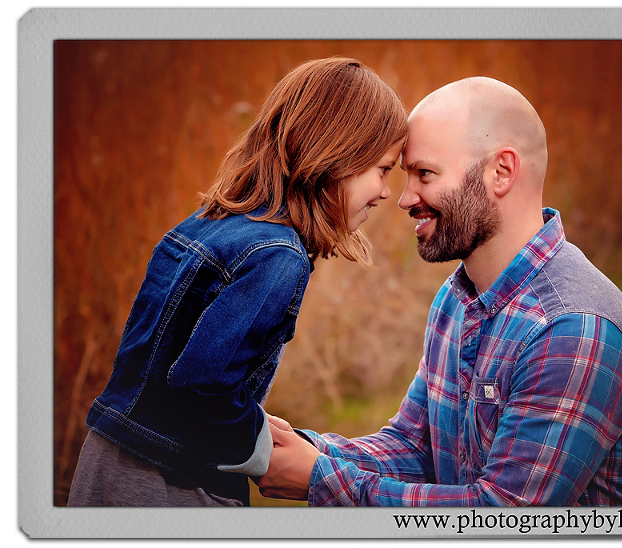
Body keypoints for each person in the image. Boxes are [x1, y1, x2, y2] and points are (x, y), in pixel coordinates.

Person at [256, 76, 622, 507]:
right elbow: (415, 448)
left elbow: (502, 513)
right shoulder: (457, 299)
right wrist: (301, 450)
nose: (404, 198)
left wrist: (321, 479)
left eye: (425, 174)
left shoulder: (572, 327)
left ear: (501, 172)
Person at [66, 57, 408, 507]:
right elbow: (202, 382)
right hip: (168, 482)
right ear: (337, 156)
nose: (386, 191)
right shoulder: (278, 257)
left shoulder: (208, 223)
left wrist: (256, 422)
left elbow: (160, 362)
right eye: (383, 169)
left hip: (106, 455)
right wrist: (260, 448)